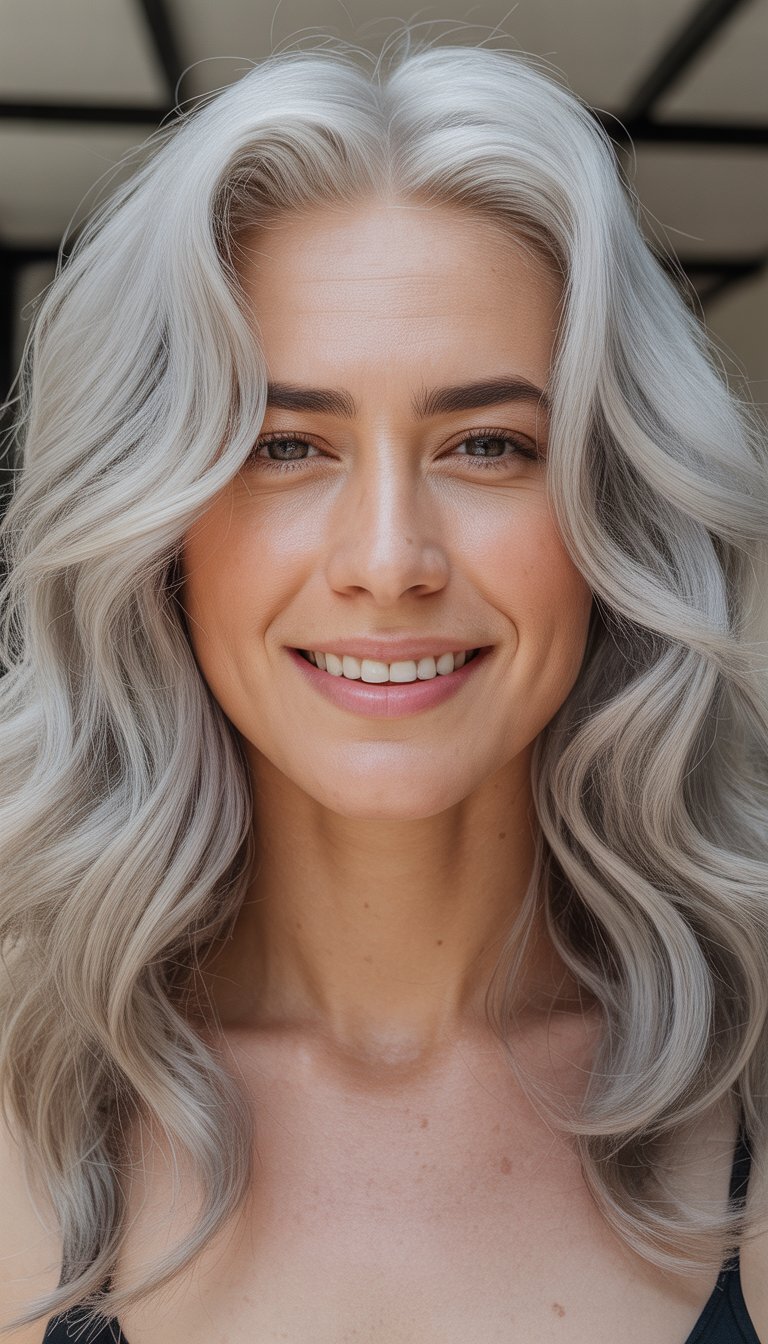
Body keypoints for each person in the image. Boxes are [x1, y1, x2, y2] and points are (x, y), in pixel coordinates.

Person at [1, 33, 767, 1344]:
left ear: (614, 514)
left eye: (487, 444)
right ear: (157, 526)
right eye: (286, 444)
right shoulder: (24, 1101)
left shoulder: (747, 1100)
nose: (388, 561)